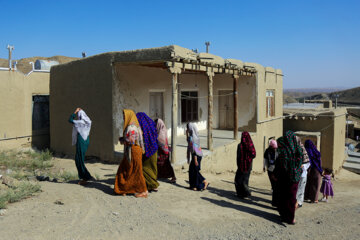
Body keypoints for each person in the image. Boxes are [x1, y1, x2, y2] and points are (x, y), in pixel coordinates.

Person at [114, 109, 148, 198]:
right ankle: (124, 189)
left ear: (129, 116)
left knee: (136, 171)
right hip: (135, 150)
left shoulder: (131, 127)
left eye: (125, 116)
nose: (124, 118)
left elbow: (131, 141)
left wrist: (122, 140)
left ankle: (144, 191)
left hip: (133, 151)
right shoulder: (136, 126)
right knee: (127, 170)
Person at [274, 130, 303, 224]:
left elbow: (281, 166)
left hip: (284, 179)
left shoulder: (283, 152)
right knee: (291, 198)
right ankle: (290, 218)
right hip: (295, 178)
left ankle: (285, 216)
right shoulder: (298, 149)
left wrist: (277, 175)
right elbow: (300, 164)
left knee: (283, 197)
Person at [68, 108, 93, 185]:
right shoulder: (88, 121)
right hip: (85, 140)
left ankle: (85, 177)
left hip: (81, 141)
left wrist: (74, 112)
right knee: (79, 159)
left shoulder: (80, 122)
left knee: (79, 159)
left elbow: (70, 120)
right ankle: (86, 176)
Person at [136, 112, 160, 192]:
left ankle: (152, 185)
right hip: (154, 148)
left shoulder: (142, 126)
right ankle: (153, 185)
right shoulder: (151, 123)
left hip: (148, 149)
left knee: (144, 168)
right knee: (153, 168)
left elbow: (141, 137)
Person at [187, 122, 209, 191]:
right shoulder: (193, 136)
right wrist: (187, 134)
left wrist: (195, 159)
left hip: (196, 156)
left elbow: (194, 150)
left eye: (187, 128)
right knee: (192, 170)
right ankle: (194, 186)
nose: (187, 129)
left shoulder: (193, 138)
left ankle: (204, 182)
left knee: (194, 171)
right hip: (197, 155)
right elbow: (188, 142)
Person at [235, 132, 256, 198]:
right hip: (249, 165)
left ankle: (241, 193)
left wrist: (239, 165)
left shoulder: (240, 145)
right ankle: (245, 193)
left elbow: (238, 157)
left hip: (241, 166)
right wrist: (248, 159)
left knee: (238, 180)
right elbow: (254, 155)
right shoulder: (251, 145)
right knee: (245, 180)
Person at [155, 119, 176, 183]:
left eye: (156, 124)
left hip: (164, 151)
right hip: (162, 151)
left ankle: (173, 177)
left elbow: (160, 141)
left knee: (166, 164)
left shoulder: (161, 132)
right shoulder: (161, 130)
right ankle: (161, 175)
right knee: (160, 163)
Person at [295, 137, 310, 209]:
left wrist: (303, 166)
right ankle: (296, 202)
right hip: (295, 173)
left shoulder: (302, 149)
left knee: (301, 188)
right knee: (296, 188)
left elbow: (308, 162)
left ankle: (300, 202)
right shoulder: (293, 149)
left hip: (302, 174)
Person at [263, 139, 278, 206]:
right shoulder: (267, 151)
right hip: (270, 169)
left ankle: (275, 200)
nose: (274, 149)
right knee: (273, 184)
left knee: (276, 185)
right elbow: (265, 159)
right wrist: (264, 167)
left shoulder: (278, 150)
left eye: (275, 148)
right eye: (273, 148)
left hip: (277, 170)